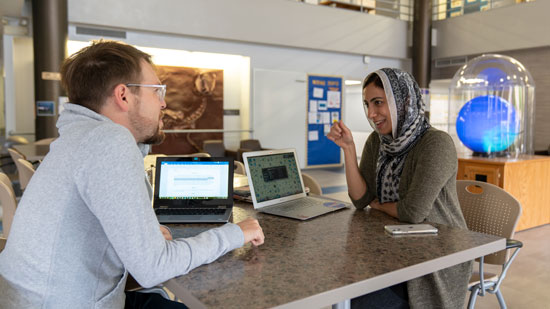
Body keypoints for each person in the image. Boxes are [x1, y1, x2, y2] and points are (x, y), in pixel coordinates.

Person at [0, 41, 264, 308]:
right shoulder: (109, 141)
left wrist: (143, 235)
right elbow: (154, 268)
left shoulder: (77, 138)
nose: (163, 104)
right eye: (157, 91)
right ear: (123, 96)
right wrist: (234, 234)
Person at [327, 68, 471, 308]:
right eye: (367, 104)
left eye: (378, 103)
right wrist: (349, 149)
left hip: (437, 256)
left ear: (403, 100)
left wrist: (377, 204)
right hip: (393, 247)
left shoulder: (436, 144)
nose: (371, 113)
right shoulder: (378, 141)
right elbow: (361, 200)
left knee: (359, 302)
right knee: (343, 282)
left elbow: (413, 213)